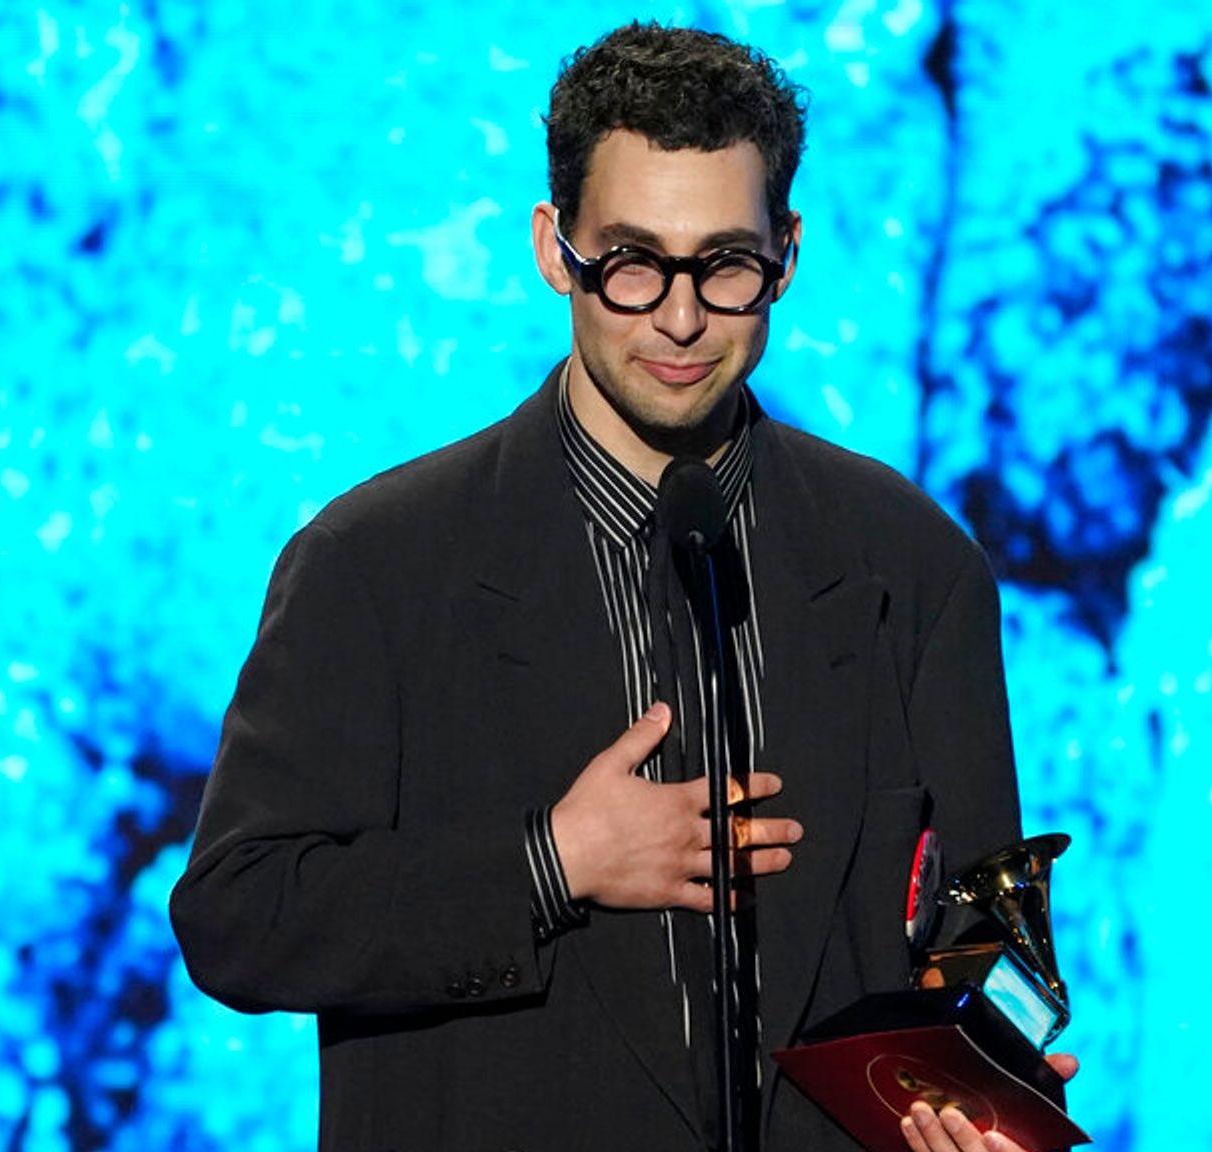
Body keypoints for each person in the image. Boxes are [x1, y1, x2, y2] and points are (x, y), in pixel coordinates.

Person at [170, 21, 1071, 1152]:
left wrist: (987, 1088)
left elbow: (974, 927)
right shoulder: (375, 564)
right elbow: (240, 918)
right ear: (555, 249)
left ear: (785, 253)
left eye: (725, 266)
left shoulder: (909, 563)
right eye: (633, 264)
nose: (681, 318)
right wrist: (553, 864)